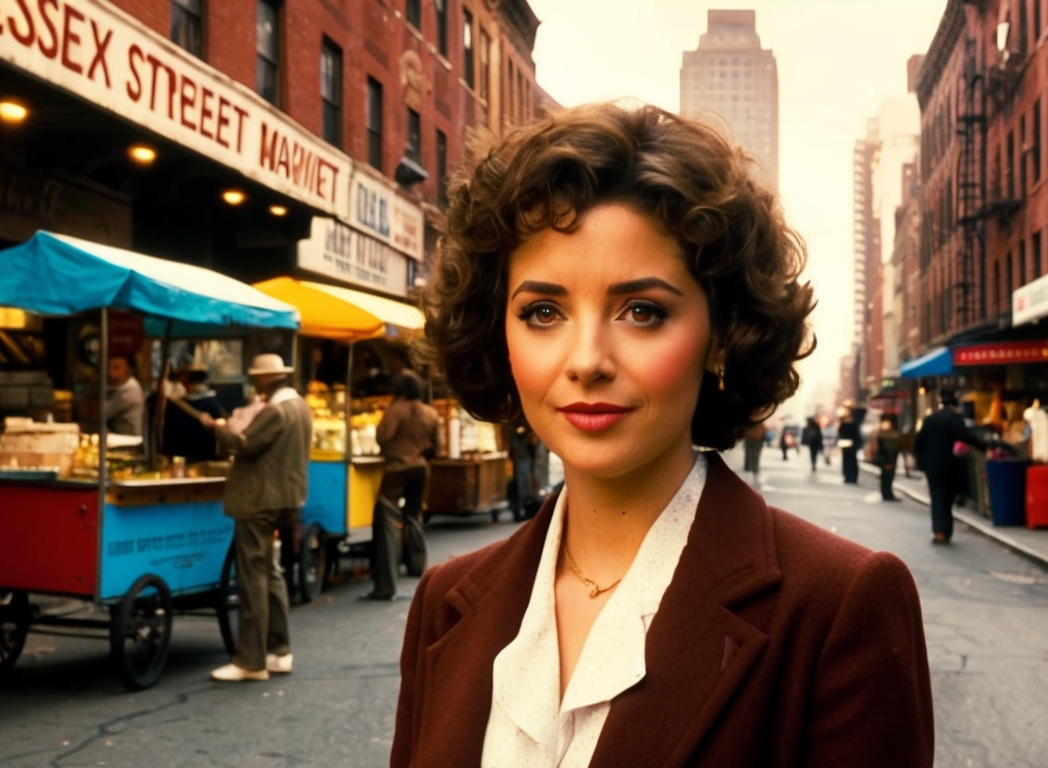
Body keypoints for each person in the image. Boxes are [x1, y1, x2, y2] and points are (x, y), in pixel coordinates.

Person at [396, 102, 932, 766]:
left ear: (721, 335)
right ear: (497, 335)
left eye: (642, 311)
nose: (587, 359)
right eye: (542, 312)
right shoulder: (444, 601)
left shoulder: (838, 606)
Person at [201, 354, 312, 682]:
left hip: (259, 499)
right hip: (285, 498)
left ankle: (251, 660)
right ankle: (280, 651)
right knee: (270, 572)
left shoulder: (276, 410)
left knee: (254, 579)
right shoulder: (301, 407)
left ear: (267, 379)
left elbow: (245, 444)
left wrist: (216, 429)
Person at [366, 372, 441, 600]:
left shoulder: (396, 409)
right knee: (412, 516)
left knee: (386, 520)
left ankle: (386, 585)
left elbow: (382, 436)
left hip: (398, 467)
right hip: (421, 468)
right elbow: (437, 446)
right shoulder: (430, 412)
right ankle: (418, 565)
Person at [911, 393, 991, 544]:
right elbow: (965, 436)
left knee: (936, 497)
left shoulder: (930, 419)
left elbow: (918, 442)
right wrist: (984, 446)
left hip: (932, 466)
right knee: (947, 497)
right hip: (950, 465)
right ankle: (946, 530)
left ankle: (939, 530)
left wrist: (920, 461)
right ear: (954, 406)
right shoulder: (954, 419)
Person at [162, 364, 226, 460]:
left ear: (186, 381)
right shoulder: (214, 405)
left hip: (178, 460)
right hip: (205, 460)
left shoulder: (173, 406)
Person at [103, 354, 144, 437]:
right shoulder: (120, 386)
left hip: (129, 440)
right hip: (119, 434)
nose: (111, 371)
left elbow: (104, 412)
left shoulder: (131, 389)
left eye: (117, 367)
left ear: (127, 369)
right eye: (110, 367)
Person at [870, 415, 903, 502]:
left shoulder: (889, 435)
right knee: (886, 477)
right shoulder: (882, 435)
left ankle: (887, 493)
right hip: (886, 458)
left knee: (888, 477)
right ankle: (886, 493)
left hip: (889, 458)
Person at [838, 407, 861, 484]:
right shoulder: (842, 423)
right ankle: (847, 476)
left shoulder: (854, 423)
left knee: (852, 461)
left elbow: (856, 435)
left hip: (852, 445)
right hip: (845, 444)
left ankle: (852, 477)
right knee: (846, 461)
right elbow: (840, 433)